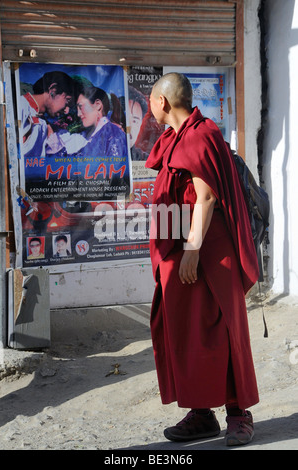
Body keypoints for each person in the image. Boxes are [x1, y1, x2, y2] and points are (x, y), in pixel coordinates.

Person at [145, 73, 260, 447]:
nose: (149, 105)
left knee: (222, 330)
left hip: (209, 253)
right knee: (188, 333)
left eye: (150, 98)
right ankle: (201, 414)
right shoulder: (175, 138)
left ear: (162, 102)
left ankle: (239, 413)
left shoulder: (200, 136)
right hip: (181, 252)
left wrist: (192, 250)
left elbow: (206, 197)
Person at [46, 85, 128, 159]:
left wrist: (55, 145)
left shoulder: (113, 135)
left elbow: (115, 171)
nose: (78, 114)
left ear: (98, 105)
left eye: (81, 107)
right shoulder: (100, 134)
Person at [20, 71, 77, 158]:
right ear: (53, 91)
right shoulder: (21, 107)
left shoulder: (43, 123)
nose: (67, 111)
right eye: (67, 100)